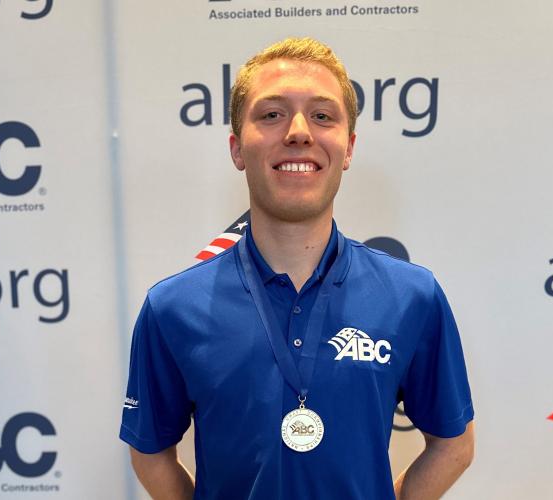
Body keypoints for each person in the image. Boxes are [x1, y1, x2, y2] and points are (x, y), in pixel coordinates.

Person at [120, 37, 474, 500]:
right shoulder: (173, 308)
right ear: (237, 149)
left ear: (347, 149)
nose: (299, 131)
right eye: (271, 114)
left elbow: (454, 445)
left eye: (323, 115)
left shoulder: (412, 296)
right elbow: (149, 451)